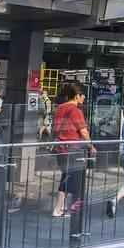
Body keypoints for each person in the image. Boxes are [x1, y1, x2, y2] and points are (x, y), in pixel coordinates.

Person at [50, 84, 94, 218]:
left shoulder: (59, 109)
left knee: (66, 176)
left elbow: (54, 128)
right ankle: (58, 208)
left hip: (60, 148)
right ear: (76, 96)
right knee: (70, 178)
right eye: (83, 95)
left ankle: (62, 207)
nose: (84, 97)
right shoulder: (76, 111)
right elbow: (83, 131)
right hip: (72, 148)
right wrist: (91, 146)